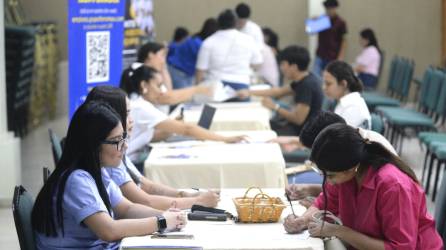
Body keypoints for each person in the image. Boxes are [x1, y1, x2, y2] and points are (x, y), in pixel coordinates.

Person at [32, 101, 186, 249]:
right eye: (116, 140)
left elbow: (127, 209)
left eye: (123, 137)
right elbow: (109, 231)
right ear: (93, 144)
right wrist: (161, 221)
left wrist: (167, 215)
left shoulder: (98, 170)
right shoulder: (76, 180)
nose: (125, 146)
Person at [284, 123, 443, 249]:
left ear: (351, 168)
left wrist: (339, 231)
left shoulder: (393, 186)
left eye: (330, 175)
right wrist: (302, 220)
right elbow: (323, 203)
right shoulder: (345, 173)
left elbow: (400, 247)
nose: (327, 181)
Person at [84, 85, 220, 210]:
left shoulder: (114, 151)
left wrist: (186, 195)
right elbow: (143, 202)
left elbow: (145, 184)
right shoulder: (109, 158)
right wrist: (197, 201)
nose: (131, 120)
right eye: (126, 113)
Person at [121, 65, 245, 166]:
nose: (161, 91)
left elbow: (148, 136)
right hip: (130, 163)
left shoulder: (137, 103)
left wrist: (171, 127)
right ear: (144, 85)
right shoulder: (141, 106)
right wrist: (225, 139)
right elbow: (187, 129)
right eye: (158, 85)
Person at [283, 111, 397, 201]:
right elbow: (336, 190)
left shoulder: (358, 157)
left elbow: (355, 201)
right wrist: (310, 191)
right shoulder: (347, 149)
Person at [238, 45, 323, 136]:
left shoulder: (306, 85)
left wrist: (275, 107)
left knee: (259, 131)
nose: (281, 68)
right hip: (295, 127)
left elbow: (298, 119)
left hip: (301, 133)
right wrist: (249, 92)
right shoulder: (305, 77)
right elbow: (278, 92)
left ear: (294, 67)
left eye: (283, 64)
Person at [123, 42, 211, 113]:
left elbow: (168, 91)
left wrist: (163, 68)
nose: (164, 60)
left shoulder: (155, 72)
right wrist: (197, 90)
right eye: (162, 55)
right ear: (150, 55)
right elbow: (164, 97)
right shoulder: (138, 70)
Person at [195, 9, 263, 100]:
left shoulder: (208, 42)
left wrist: (197, 90)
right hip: (241, 86)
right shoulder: (248, 40)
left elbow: (200, 70)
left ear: (218, 23)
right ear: (236, 23)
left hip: (214, 88)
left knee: (215, 113)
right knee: (241, 113)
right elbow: (258, 62)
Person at [167, 18, 218, 89]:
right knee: (184, 98)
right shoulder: (201, 45)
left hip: (182, 71)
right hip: (178, 71)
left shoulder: (195, 38)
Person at [323, 60, 371, 129]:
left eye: (328, 84)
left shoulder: (353, 109)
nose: (324, 87)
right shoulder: (344, 102)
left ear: (343, 84)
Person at [313, 0, 347, 77]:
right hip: (320, 54)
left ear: (335, 8)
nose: (329, 11)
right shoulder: (322, 20)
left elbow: (344, 40)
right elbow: (311, 31)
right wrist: (313, 21)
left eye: (331, 9)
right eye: (327, 9)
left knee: (330, 77)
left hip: (333, 55)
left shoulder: (341, 22)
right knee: (316, 76)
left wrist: (340, 56)